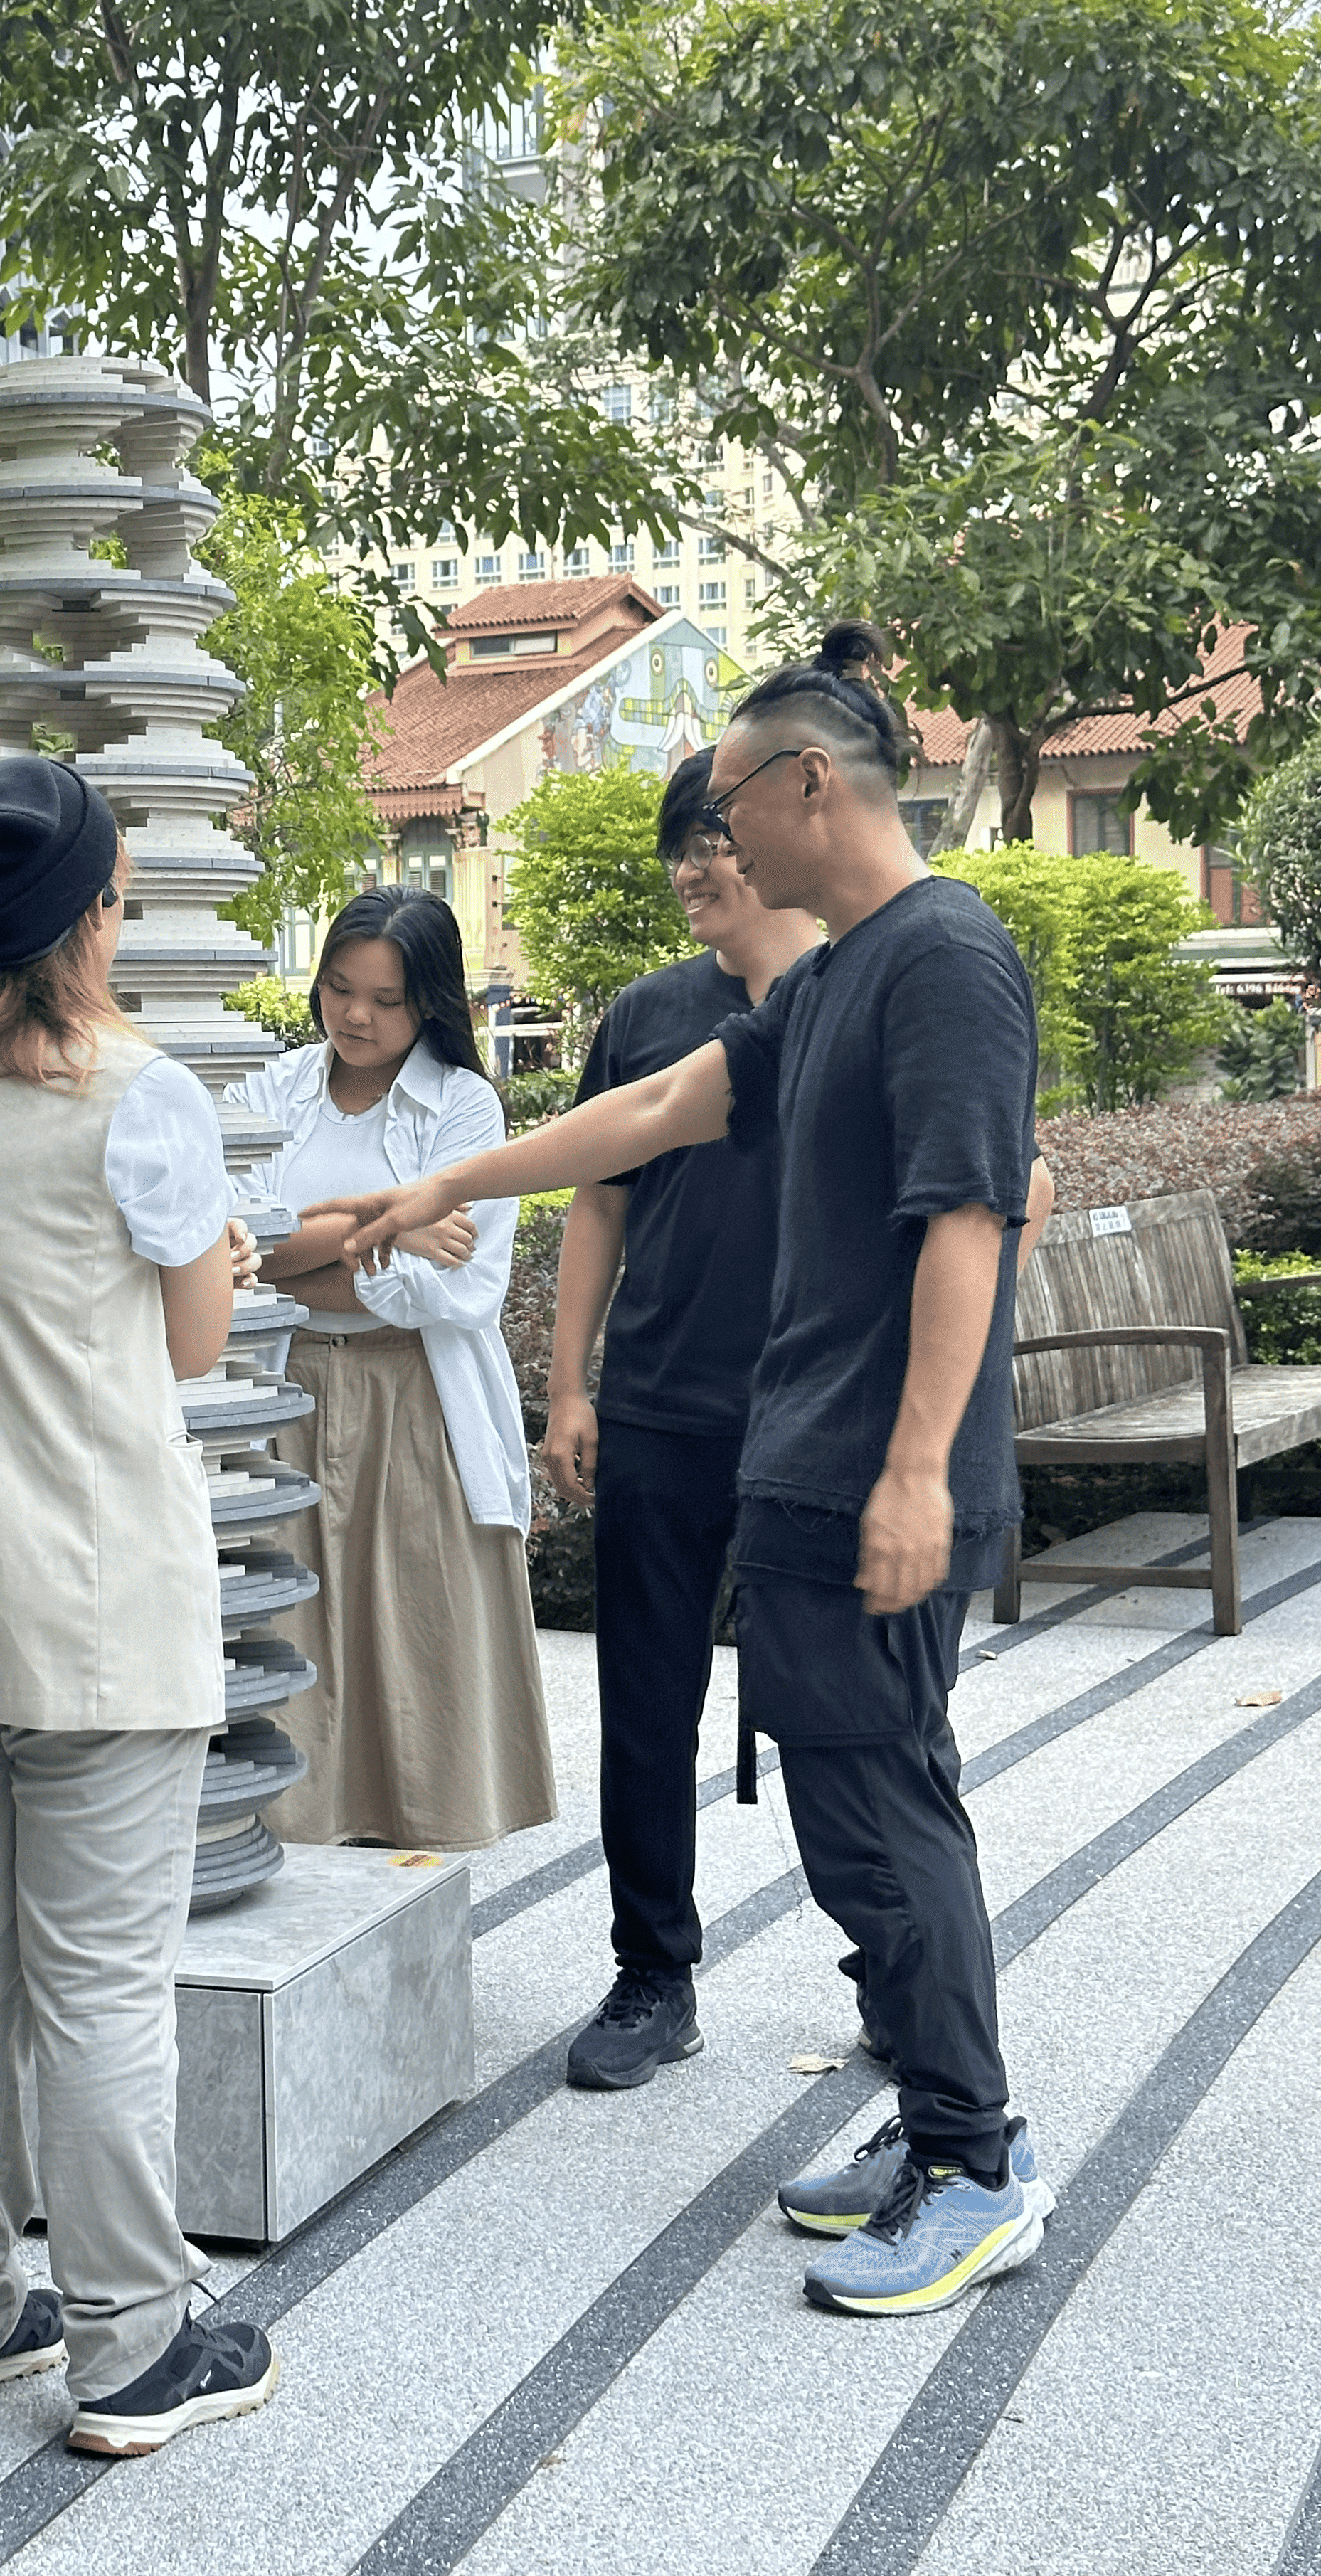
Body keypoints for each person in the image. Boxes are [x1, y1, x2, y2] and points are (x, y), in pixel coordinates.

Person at [307, 625, 1058, 2318]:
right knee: (860, 1806)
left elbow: (969, 1221)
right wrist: (444, 1187)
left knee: (881, 1815)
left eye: (729, 803)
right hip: (805, 1466)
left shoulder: (943, 959)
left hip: (874, 1473)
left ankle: (975, 2158)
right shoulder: (840, 974)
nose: (712, 841)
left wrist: (919, 1472)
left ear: (808, 786)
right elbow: (647, 1118)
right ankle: (941, 2122)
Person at [0, 758, 280, 2456]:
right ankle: (130, 2348)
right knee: (98, 1987)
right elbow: (188, 1343)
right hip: (91, 1596)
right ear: (96, 912)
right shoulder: (140, 1094)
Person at [546, 750, 822, 2093]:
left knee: (841, 1706)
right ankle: (652, 1970)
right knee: (645, 1705)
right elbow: (595, 1192)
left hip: (812, 1420)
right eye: (678, 843)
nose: (692, 866)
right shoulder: (649, 1014)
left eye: (713, 835)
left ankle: (894, 1967)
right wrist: (568, 1384)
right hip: (658, 1402)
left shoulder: (860, 997)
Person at [230, 887, 556, 1848]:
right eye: (339, 989)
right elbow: (232, 1252)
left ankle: (413, 1863)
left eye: (385, 998)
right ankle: (300, 1852)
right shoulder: (270, 1091)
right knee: (287, 1633)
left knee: (418, 1635)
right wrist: (388, 1227)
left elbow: (458, 1292)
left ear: (431, 1003)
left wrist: (299, 1249)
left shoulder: (462, 1106)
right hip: (284, 1392)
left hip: (415, 1395)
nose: (357, 1016)